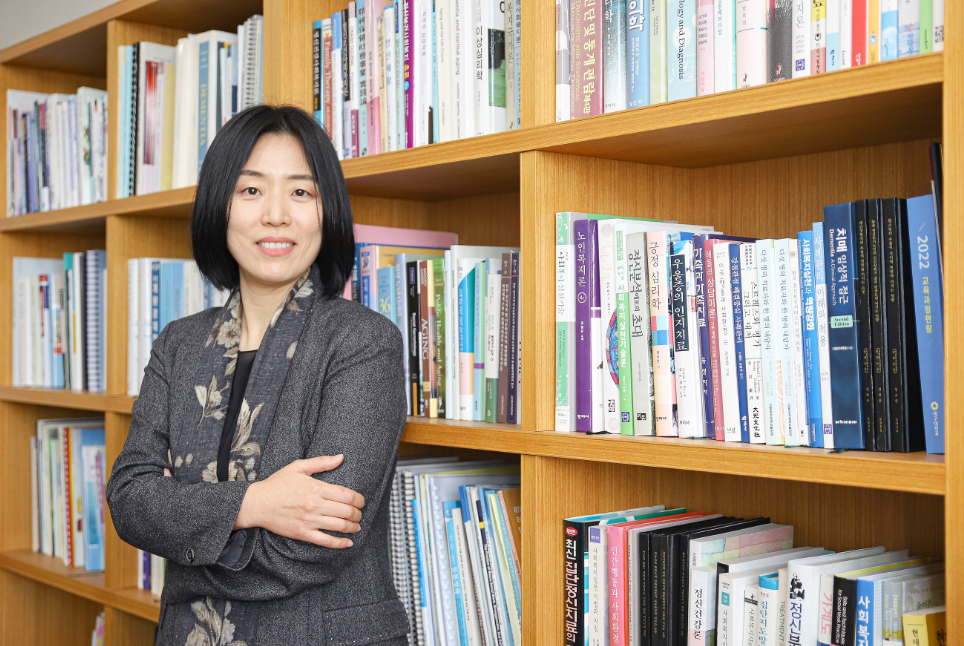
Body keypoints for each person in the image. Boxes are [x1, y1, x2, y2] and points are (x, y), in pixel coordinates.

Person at [106, 105, 410, 646]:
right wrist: (256, 504)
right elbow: (130, 499)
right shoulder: (179, 344)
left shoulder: (364, 342)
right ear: (219, 207)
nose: (276, 215)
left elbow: (316, 544)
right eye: (251, 190)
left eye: (301, 192)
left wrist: (183, 554)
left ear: (327, 212)